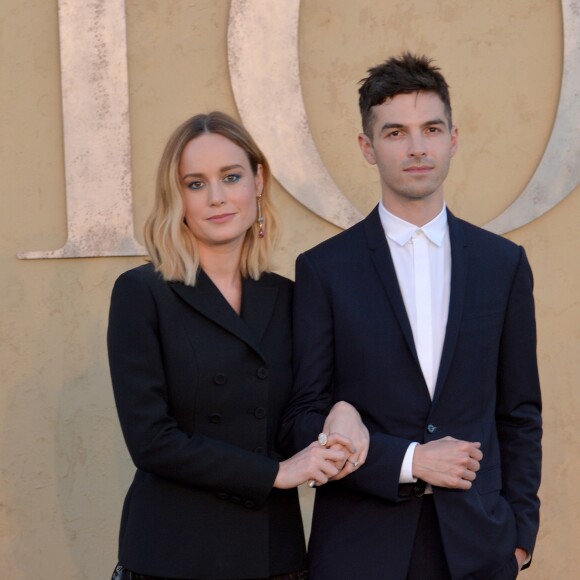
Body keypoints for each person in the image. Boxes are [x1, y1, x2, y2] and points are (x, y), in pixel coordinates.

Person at [279, 53, 542, 579]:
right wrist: (407, 460)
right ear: (367, 148)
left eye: (431, 129)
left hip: (478, 549)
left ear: (453, 139)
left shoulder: (502, 264)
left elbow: (519, 413)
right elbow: (302, 420)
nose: (417, 147)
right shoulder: (323, 270)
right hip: (360, 549)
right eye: (395, 132)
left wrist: (518, 538)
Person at [107, 111, 361, 580]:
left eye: (231, 177)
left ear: (258, 181)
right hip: (172, 554)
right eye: (196, 183)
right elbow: (151, 441)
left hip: (271, 553)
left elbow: (304, 407)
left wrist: (342, 410)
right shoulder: (142, 292)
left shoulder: (288, 296)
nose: (218, 198)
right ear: (176, 196)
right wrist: (276, 474)